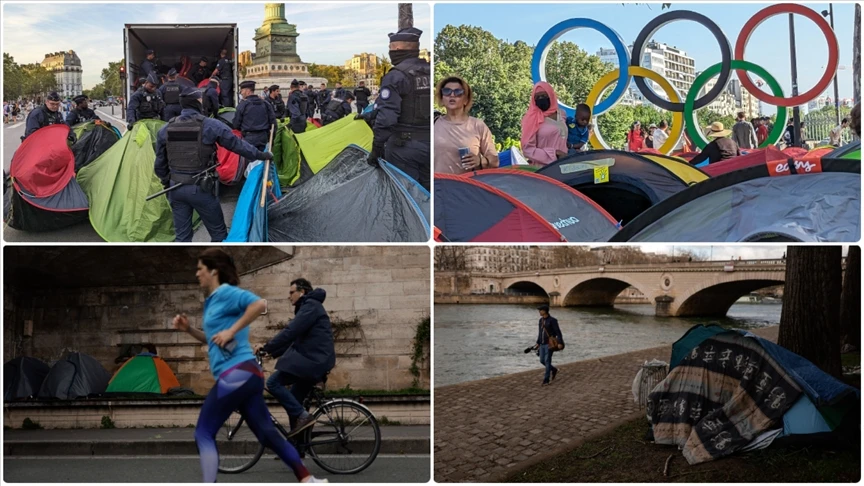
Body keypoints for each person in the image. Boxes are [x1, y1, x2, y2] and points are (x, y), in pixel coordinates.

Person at [172, 249, 326, 484]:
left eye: (200, 269)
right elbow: (212, 338)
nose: (197, 273)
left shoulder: (226, 292)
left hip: (236, 373)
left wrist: (231, 331)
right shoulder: (212, 300)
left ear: (213, 271)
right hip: (249, 374)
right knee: (267, 435)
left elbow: (257, 304)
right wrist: (189, 329)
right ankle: (308, 479)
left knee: (203, 432)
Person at [154, 87, 273, 242]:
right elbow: (236, 144)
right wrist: (260, 155)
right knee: (219, 234)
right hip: (201, 189)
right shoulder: (210, 125)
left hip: (175, 188)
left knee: (182, 238)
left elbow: (159, 165)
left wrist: (166, 184)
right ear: (197, 103)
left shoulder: (166, 129)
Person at [258, 278, 336, 437]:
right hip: (312, 360)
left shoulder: (310, 306)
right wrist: (270, 352)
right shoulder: (308, 307)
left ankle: (304, 417)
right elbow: (295, 339)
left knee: (273, 383)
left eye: (291, 292)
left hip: (313, 360)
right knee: (293, 401)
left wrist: (267, 346)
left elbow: (291, 332)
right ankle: (297, 447)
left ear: (302, 292)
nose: (289, 296)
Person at [368, 27, 431, 189]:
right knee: (429, 195)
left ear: (397, 48)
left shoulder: (396, 76)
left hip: (404, 147)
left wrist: (377, 148)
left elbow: (388, 118)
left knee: (406, 197)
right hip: (432, 143)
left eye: (390, 49)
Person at [433, 76, 498, 175]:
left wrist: (480, 161)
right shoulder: (433, 123)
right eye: (446, 91)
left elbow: (495, 161)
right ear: (441, 98)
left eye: (458, 92)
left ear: (466, 100)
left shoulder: (477, 125)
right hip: (438, 187)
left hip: (466, 187)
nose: (452, 95)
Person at [520, 81, 567, 166]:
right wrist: (554, 154)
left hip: (564, 165)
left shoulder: (562, 114)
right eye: (538, 97)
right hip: (543, 168)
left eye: (544, 96)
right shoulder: (532, 119)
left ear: (551, 95)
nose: (541, 99)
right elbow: (527, 149)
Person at [233, 80, 276, 151]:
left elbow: (236, 124)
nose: (241, 93)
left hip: (249, 138)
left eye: (242, 90)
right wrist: (271, 139)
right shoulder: (265, 103)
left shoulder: (243, 105)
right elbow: (273, 123)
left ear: (248, 91)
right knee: (263, 160)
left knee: (250, 161)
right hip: (263, 137)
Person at [530, 305, 563, 386]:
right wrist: (538, 343)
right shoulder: (540, 320)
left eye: (540, 310)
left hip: (549, 344)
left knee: (547, 361)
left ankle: (546, 380)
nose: (539, 312)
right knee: (542, 360)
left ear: (545, 311)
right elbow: (540, 333)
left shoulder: (553, 320)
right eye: (539, 310)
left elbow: (558, 332)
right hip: (541, 344)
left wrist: (560, 342)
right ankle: (554, 369)